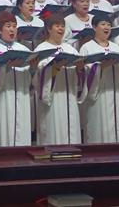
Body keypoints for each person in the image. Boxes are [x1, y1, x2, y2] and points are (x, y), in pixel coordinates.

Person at [0, 12, 34, 147]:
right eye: (8, 26)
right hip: (1, 97)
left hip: (21, 96)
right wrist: (6, 66)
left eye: (14, 26)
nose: (12, 29)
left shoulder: (22, 48)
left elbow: (28, 78)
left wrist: (32, 68)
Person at [34, 14, 83, 145]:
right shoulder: (42, 49)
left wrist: (79, 69)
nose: (60, 29)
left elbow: (80, 75)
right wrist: (54, 69)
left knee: (72, 131)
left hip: (69, 95)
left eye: (62, 26)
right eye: (57, 26)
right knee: (53, 130)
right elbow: (39, 74)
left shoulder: (70, 49)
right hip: (53, 98)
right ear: (49, 29)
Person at [78, 14, 119, 143]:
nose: (107, 27)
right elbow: (83, 73)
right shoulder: (87, 47)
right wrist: (101, 67)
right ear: (94, 27)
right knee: (99, 129)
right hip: (97, 95)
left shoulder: (116, 47)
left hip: (115, 92)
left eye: (109, 25)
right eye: (103, 24)